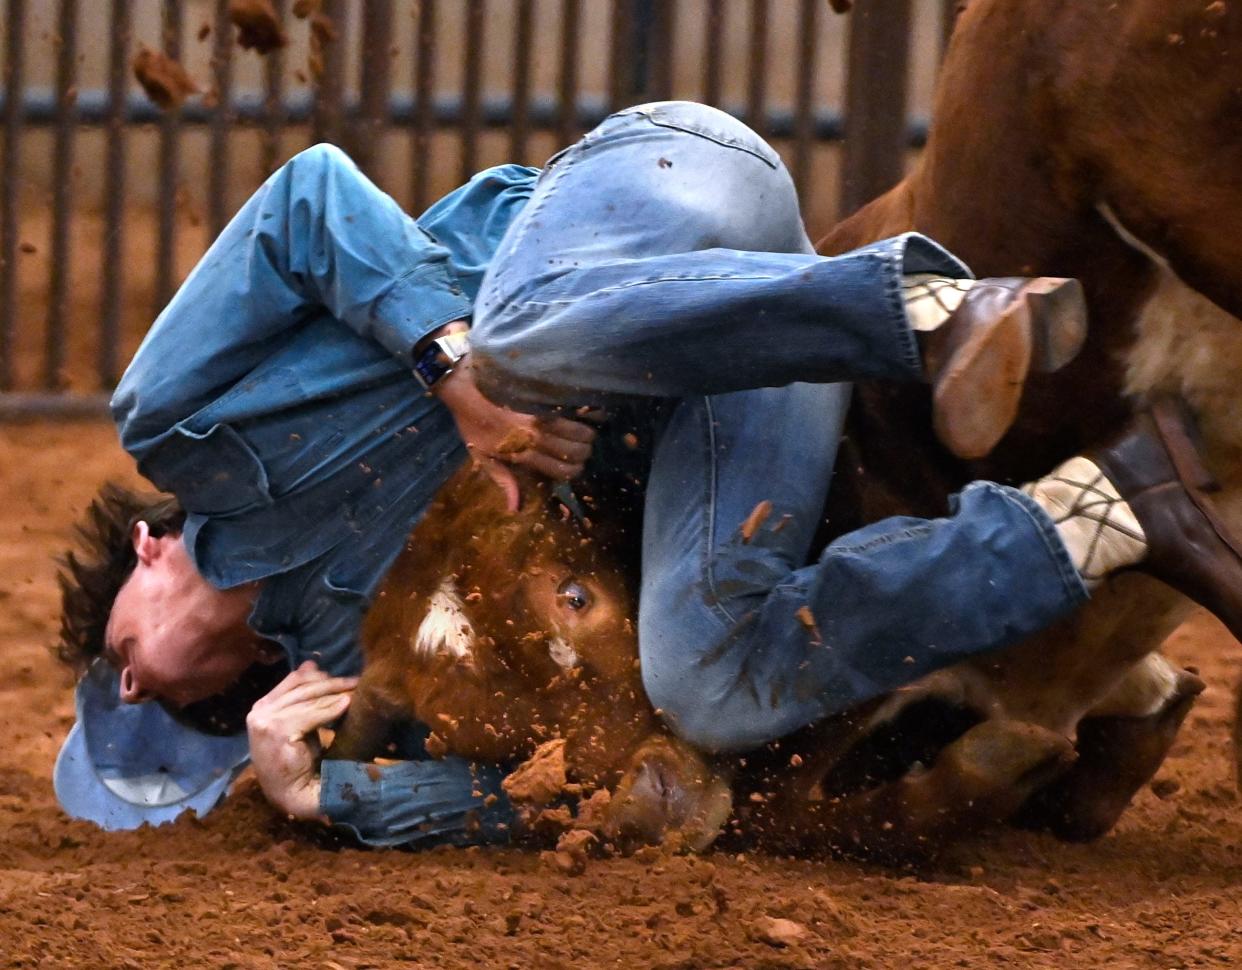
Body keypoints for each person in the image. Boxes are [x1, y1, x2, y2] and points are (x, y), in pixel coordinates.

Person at [54, 101, 1242, 845]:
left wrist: (452, 371)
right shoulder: (370, 670)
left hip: (651, 194)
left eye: (118, 662)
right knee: (706, 686)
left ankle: (930, 308)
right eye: (187, 719)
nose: (147, 693)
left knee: (516, 346)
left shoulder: (175, 424)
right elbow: (580, 783)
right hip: (740, 374)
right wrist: (329, 796)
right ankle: (1103, 511)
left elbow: (308, 196)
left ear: (149, 550)